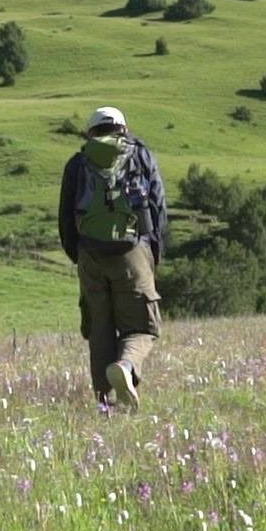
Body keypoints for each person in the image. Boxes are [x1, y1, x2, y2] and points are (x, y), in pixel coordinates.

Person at [57, 105, 168, 410]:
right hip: (132, 252)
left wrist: (79, 255)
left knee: (99, 331)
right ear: (123, 129)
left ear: (90, 132)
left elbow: (65, 216)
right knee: (142, 328)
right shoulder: (140, 156)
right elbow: (157, 207)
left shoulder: (78, 164)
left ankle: (104, 405)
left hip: (90, 253)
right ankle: (127, 367)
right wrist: (152, 252)